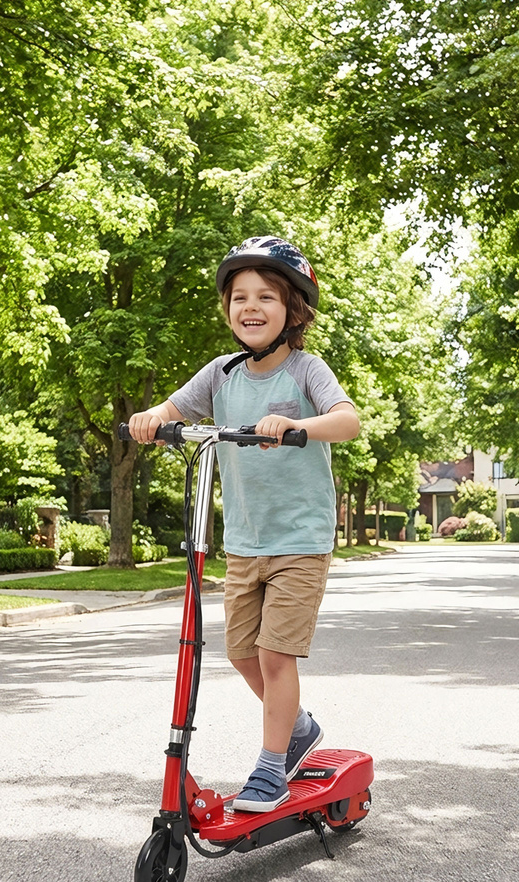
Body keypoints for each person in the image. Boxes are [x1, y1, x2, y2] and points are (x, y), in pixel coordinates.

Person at [128, 236, 360, 812]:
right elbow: (174, 410)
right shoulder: (221, 373)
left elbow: (348, 420)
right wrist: (151, 419)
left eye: (266, 297)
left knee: (277, 655)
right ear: (228, 309)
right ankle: (299, 728)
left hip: (299, 540)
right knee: (239, 652)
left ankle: (271, 765)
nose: (250, 307)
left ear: (293, 310)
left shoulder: (307, 370)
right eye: (239, 297)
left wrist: (297, 424)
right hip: (244, 542)